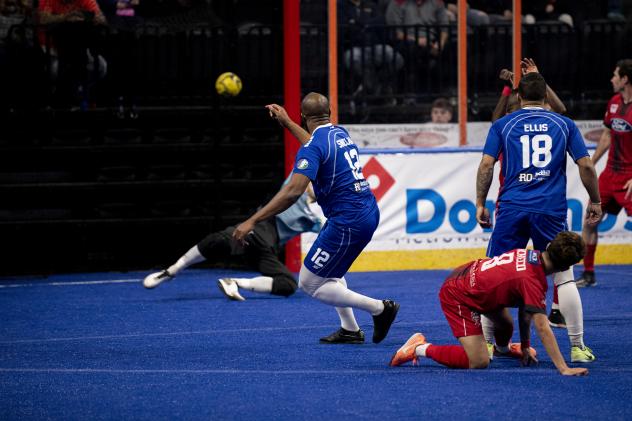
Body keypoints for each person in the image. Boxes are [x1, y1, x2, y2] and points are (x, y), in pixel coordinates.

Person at [233, 92, 400, 344]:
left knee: (310, 283)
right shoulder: (339, 133)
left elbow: (292, 192)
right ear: (330, 112)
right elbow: (314, 143)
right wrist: (288, 123)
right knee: (330, 271)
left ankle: (380, 309)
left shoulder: (312, 147)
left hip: (348, 221)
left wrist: (252, 220)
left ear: (304, 116)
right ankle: (350, 329)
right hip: (363, 212)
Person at [475, 72, 602, 363]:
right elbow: (586, 166)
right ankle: (577, 347)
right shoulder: (564, 124)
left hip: (512, 208)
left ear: (518, 96)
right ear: (546, 97)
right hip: (550, 210)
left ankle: (489, 344)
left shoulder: (504, 125)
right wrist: (595, 200)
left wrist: (480, 202)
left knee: (492, 274)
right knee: (564, 278)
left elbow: (486, 165)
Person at [389, 231, 589, 376]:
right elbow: (543, 329)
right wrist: (564, 368)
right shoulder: (533, 280)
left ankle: (502, 349)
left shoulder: (532, 256)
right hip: (458, 294)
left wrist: (526, 346)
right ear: (565, 267)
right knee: (479, 361)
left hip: (470, 276)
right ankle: (419, 348)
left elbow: (526, 308)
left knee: (505, 324)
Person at [142, 185, 322, 300]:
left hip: (266, 245)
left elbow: (331, 233)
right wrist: (284, 122)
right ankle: (171, 270)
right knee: (216, 241)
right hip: (257, 227)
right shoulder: (295, 184)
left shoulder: (318, 216)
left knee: (288, 284)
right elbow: (310, 145)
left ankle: (236, 282)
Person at [576, 59, 632, 288]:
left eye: (615, 75)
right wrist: (591, 161)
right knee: (590, 220)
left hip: (630, 178)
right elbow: (607, 136)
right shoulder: (613, 103)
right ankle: (588, 274)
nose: (612, 79)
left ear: (625, 79)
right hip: (610, 175)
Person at [491, 58, 566, 123]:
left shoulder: (539, 99)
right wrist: (507, 87)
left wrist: (537, 77)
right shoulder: (512, 100)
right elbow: (496, 121)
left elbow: (560, 110)